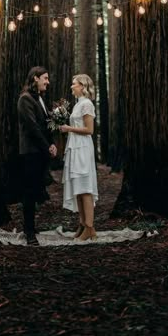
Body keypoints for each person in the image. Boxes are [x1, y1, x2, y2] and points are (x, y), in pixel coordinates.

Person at [17, 66, 57, 245]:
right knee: (29, 192)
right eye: (45, 78)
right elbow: (32, 127)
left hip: (40, 151)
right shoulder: (25, 99)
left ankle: (31, 227)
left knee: (36, 190)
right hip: (30, 152)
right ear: (35, 78)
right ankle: (29, 231)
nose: (47, 82)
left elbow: (47, 122)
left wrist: (53, 143)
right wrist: (46, 146)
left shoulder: (40, 98)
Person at [60, 74, 98, 241]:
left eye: (74, 84)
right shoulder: (78, 104)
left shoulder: (87, 104)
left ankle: (89, 227)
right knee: (78, 188)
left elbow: (89, 130)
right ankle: (83, 224)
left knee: (85, 188)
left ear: (82, 86)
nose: (71, 86)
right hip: (74, 147)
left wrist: (68, 128)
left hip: (82, 147)